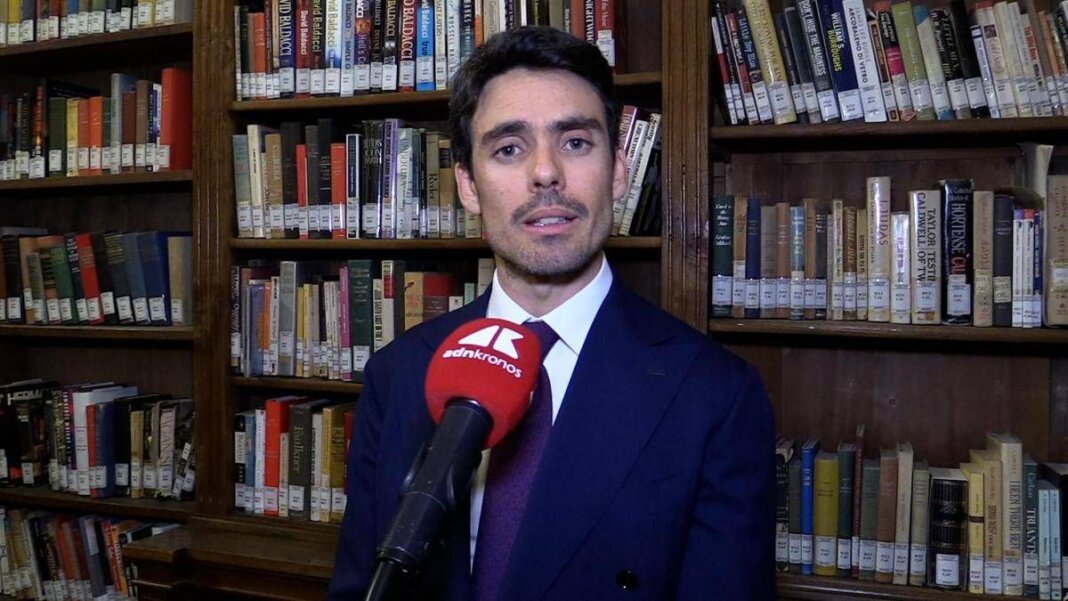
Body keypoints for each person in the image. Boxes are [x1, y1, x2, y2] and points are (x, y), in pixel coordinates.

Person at [327, 26, 775, 601]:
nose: (546, 173)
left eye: (576, 142)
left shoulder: (715, 395)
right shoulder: (400, 374)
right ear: (467, 185)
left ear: (619, 170)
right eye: (509, 149)